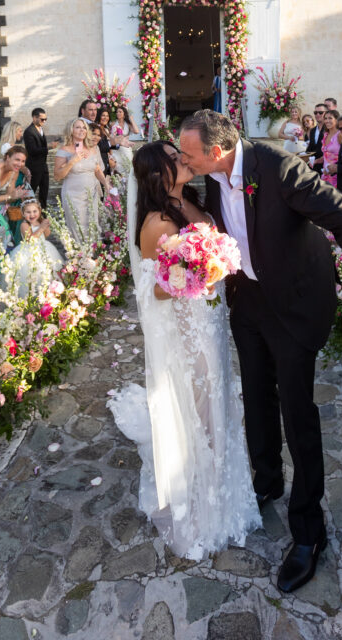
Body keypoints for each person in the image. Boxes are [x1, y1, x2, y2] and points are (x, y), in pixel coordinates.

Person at [178, 110, 342, 593]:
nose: (183, 159)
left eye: (188, 153)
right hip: (249, 302)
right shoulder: (212, 175)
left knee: (298, 413)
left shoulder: (280, 169)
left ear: (216, 152)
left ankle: (308, 532)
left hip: (296, 305)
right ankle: (267, 480)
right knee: (257, 397)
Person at [108, 141, 261, 559]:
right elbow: (152, 289)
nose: (184, 160)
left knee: (219, 408)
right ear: (159, 173)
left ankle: (225, 493)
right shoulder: (156, 223)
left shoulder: (193, 199)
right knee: (201, 412)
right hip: (188, 330)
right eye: (176, 158)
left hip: (211, 323)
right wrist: (200, 269)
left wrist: (212, 260)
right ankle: (200, 509)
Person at [54, 118, 108, 245]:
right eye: (78, 127)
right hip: (73, 195)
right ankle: (79, 258)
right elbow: (57, 176)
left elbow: (97, 169)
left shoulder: (92, 149)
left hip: (91, 194)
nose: (82, 130)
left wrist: (106, 184)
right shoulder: (64, 150)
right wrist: (72, 161)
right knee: (78, 226)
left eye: (84, 127)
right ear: (71, 130)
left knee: (92, 224)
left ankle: (93, 256)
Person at [7, 198, 63, 297]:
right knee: (29, 274)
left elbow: (46, 235)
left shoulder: (40, 222)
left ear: (39, 211)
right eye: (28, 212)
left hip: (44, 248)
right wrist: (41, 228)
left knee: (47, 271)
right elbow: (30, 240)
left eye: (34, 211)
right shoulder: (24, 225)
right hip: (28, 251)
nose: (32, 215)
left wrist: (46, 227)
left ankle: (49, 293)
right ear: (23, 214)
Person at [23, 108, 57, 210]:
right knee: (31, 191)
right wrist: (49, 147)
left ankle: (43, 212)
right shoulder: (29, 131)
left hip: (43, 166)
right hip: (33, 167)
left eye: (45, 119)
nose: (44, 121)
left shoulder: (41, 129)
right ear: (34, 118)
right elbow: (32, 150)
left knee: (44, 191)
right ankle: (28, 211)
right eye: (42, 119)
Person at [110, 105, 140, 172]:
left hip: (126, 149)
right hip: (116, 149)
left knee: (128, 167)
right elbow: (110, 137)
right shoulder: (113, 124)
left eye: (120, 112)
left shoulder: (128, 124)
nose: (118, 113)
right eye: (117, 112)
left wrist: (131, 119)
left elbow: (136, 131)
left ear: (124, 114)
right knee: (117, 169)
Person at [302, 103, 327, 173]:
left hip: (326, 166)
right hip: (313, 166)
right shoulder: (312, 131)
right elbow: (311, 148)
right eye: (315, 113)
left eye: (320, 112)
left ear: (326, 113)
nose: (317, 115)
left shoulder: (329, 129)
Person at [320, 109, 341, 186]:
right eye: (325, 118)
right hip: (325, 174)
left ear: (336, 120)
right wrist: (316, 161)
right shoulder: (325, 135)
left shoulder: (340, 135)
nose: (327, 121)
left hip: (336, 175)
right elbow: (325, 155)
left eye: (330, 118)